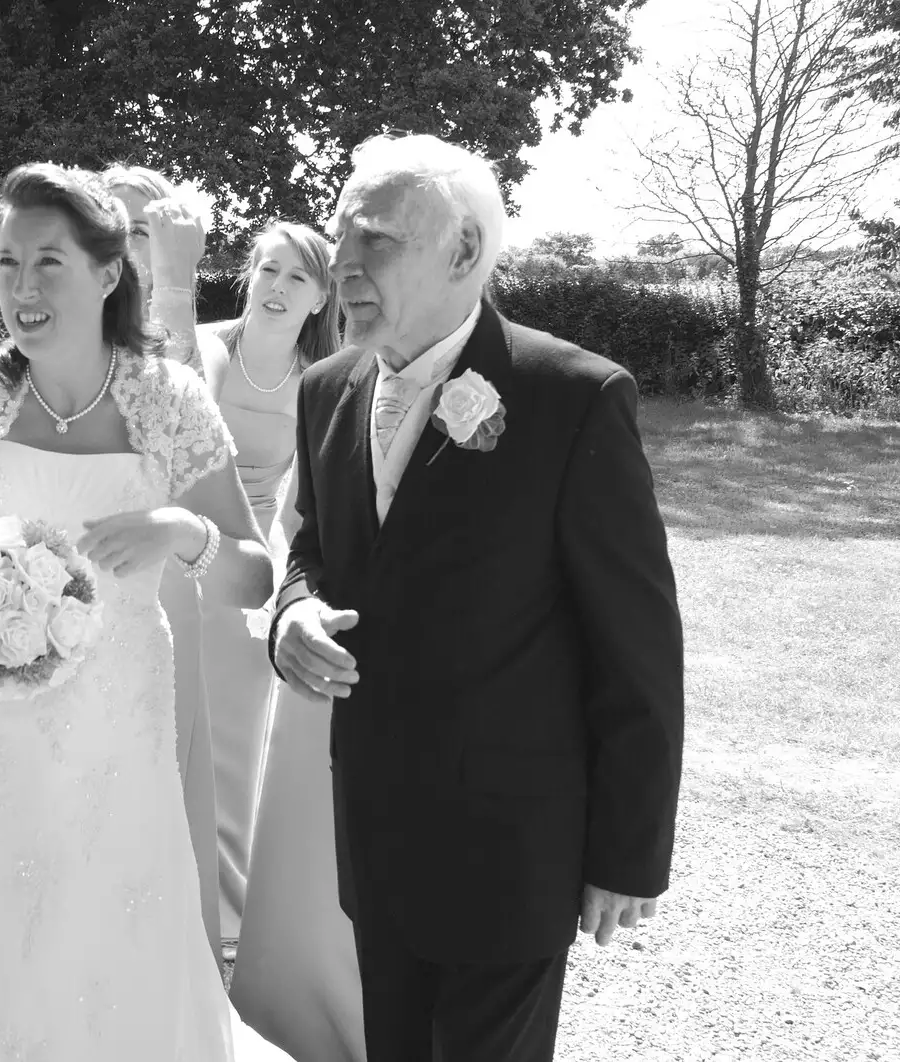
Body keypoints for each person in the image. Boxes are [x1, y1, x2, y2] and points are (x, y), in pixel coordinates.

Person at [269, 133, 685, 1062]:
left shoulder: (572, 397)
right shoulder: (325, 390)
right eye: (340, 238)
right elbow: (315, 548)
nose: (342, 265)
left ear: (464, 252)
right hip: (376, 827)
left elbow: (638, 643)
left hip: (511, 845)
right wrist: (292, 611)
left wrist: (627, 850)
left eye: (375, 240)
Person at [0, 162, 289, 1059]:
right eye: (7, 262)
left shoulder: (166, 400)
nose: (21, 287)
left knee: (112, 913)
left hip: (122, 720)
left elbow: (254, 575)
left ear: (108, 274)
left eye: (47, 262)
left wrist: (181, 530)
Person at [196, 223, 340, 946]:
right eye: (269, 271)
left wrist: (285, 592)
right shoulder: (205, 349)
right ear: (248, 277)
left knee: (236, 731)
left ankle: (223, 907)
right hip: (182, 542)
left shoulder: (322, 379)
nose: (279, 289)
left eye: (299, 278)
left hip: (252, 556)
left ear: (321, 298)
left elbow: (293, 508)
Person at [100, 163, 224, 958]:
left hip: (167, 581)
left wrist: (177, 285)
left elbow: (180, 427)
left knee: (160, 770)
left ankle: (163, 959)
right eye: (118, 228)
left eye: (143, 230)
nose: (129, 245)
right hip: (81, 580)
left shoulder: (177, 333)